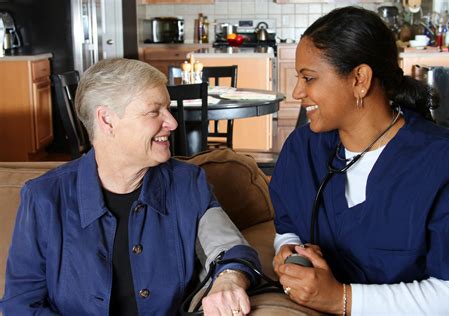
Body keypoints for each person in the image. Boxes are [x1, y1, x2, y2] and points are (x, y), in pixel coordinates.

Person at [0, 58, 260, 316]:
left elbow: (229, 248)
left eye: (167, 109)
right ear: (107, 120)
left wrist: (229, 278)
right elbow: (20, 305)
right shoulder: (44, 198)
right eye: (154, 111)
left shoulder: (187, 184)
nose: (172, 123)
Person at [270, 6, 449, 315]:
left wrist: (341, 298)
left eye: (308, 78)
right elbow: (288, 228)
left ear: (360, 79)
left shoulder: (444, 164)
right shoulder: (302, 149)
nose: (297, 91)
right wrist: (287, 252)